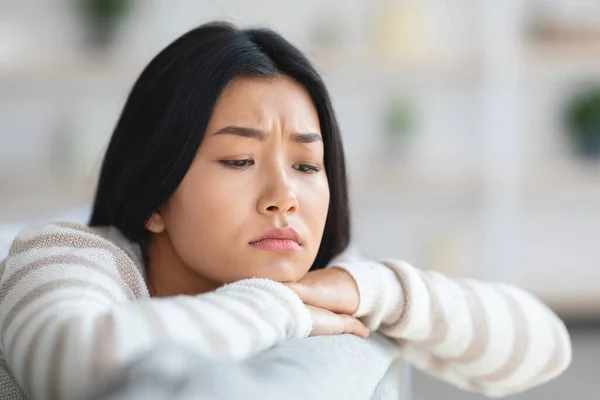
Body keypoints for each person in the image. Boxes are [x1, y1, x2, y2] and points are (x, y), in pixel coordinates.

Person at [0, 22, 570, 400]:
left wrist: (380, 292)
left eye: (305, 166)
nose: (284, 196)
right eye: (239, 159)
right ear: (154, 194)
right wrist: (281, 307)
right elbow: (73, 362)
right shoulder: (64, 252)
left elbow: (546, 346)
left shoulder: (323, 282)